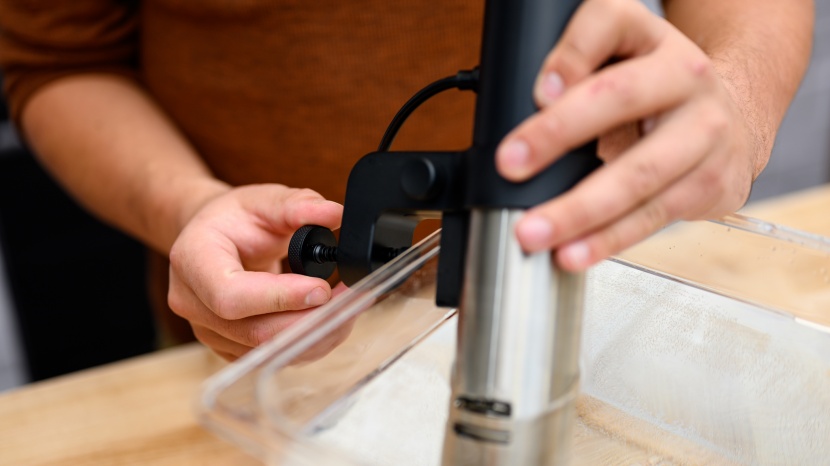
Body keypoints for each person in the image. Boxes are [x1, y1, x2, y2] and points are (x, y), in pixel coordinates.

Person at [0, 0, 814, 360]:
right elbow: (58, 58)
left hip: (585, 314)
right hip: (253, 346)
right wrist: (192, 205)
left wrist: (735, 105)